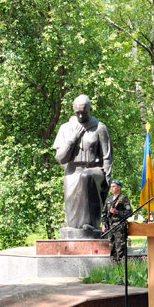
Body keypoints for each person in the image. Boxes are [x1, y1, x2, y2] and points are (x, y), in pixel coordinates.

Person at [53, 94, 112, 235]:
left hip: (94, 170)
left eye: (83, 112)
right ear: (73, 110)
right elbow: (60, 158)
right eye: (77, 112)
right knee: (73, 222)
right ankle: (76, 228)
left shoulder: (99, 128)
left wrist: (107, 179)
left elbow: (107, 156)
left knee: (86, 176)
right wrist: (72, 140)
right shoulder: (65, 128)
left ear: (90, 110)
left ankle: (90, 223)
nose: (80, 116)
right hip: (72, 172)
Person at [101, 180, 132, 263]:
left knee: (120, 249)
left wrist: (117, 212)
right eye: (111, 187)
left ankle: (121, 267)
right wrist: (103, 225)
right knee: (112, 248)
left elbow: (129, 212)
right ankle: (114, 266)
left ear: (119, 188)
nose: (111, 188)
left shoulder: (123, 199)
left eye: (114, 186)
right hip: (110, 227)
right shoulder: (109, 199)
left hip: (119, 227)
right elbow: (104, 213)